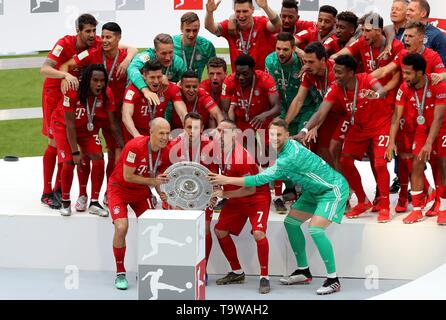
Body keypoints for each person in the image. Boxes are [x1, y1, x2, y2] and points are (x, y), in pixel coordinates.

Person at [209, 118, 349, 295]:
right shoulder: (284, 149)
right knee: (290, 223)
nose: (275, 138)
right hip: (313, 192)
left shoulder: (289, 157)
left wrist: (226, 180)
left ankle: (333, 279)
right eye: (272, 134)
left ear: (288, 135)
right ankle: (304, 271)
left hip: (332, 190)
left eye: (279, 135)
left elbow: (259, 180)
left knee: (316, 229)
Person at [297, 55, 392, 223]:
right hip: (358, 127)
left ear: (351, 72)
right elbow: (321, 112)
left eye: (339, 72)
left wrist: (375, 95)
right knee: (345, 161)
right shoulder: (335, 88)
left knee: (379, 163)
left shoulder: (365, 78)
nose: (336, 76)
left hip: (380, 125)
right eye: (335, 72)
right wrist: (305, 131)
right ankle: (363, 201)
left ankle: (385, 206)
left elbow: (382, 91)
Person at [59, 22, 136, 208]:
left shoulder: (127, 57)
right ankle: (83, 194)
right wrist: (65, 78)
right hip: (91, 110)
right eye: (104, 36)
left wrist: (127, 60)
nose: (105, 40)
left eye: (109, 37)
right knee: (87, 152)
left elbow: (135, 50)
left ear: (118, 38)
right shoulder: (92, 52)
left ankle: (110, 191)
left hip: (112, 112)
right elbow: (67, 65)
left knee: (113, 151)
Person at [39, 13, 101, 210]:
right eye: (88, 31)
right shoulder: (64, 43)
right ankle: (47, 192)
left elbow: (122, 45)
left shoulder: (96, 43)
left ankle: (59, 188)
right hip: (54, 92)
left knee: (66, 140)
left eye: (94, 30)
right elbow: (44, 69)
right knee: (54, 143)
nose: (92, 35)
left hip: (74, 95)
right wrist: (64, 74)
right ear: (78, 31)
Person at [208, 119, 272, 294]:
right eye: (217, 130)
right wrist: (215, 190)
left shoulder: (242, 157)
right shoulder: (218, 151)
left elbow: (250, 189)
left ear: (235, 135)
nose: (218, 134)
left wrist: (224, 194)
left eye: (223, 131)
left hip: (256, 197)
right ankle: (237, 272)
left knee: (259, 233)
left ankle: (264, 277)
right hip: (236, 198)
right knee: (220, 230)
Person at [108, 117, 171, 290]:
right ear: (151, 133)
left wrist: (161, 192)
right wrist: (153, 182)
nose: (165, 137)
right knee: (121, 227)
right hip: (119, 189)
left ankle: (148, 267)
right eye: (161, 133)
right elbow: (128, 176)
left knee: (152, 227)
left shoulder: (166, 150)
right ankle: (120, 272)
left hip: (140, 191)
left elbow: (158, 174)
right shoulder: (135, 147)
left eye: (167, 133)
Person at [52, 64, 122, 217]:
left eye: (102, 80)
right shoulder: (72, 91)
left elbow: (113, 124)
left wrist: (124, 147)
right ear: (87, 80)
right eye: (95, 80)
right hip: (63, 127)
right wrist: (75, 151)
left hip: (86, 128)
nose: (99, 84)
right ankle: (65, 201)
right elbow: (70, 126)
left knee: (98, 156)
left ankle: (94, 202)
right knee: (70, 161)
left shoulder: (106, 93)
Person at [386, 53, 446, 225]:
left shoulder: (439, 86)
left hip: (442, 128)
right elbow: (396, 116)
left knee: (443, 165)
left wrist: (428, 144)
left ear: (420, 73)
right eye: (403, 73)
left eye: (408, 73)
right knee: (416, 164)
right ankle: (418, 210)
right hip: (422, 128)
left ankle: (443, 208)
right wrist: (390, 142)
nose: (404, 77)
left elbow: (439, 118)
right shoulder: (404, 87)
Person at [265, 33, 321, 212]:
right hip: (284, 106)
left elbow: (304, 97)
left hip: (307, 107)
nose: (281, 53)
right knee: (281, 146)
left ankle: (306, 191)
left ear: (293, 49)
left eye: (285, 49)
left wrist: (286, 122)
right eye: (278, 49)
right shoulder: (270, 61)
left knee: (302, 148)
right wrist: (279, 117)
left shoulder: (303, 62)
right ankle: (289, 187)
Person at [162, 112, 218, 278]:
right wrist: (165, 195)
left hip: (201, 195)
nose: (192, 131)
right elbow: (165, 174)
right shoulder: (173, 145)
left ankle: (203, 269)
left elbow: (214, 174)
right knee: (176, 229)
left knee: (205, 229)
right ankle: (179, 266)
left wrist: (214, 195)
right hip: (178, 194)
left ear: (202, 128)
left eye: (196, 128)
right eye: (188, 127)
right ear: (183, 127)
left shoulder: (210, 146)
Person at [286, 42, 342, 171]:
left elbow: (328, 104)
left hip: (345, 112)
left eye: (311, 62)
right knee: (316, 146)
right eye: (305, 62)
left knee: (333, 148)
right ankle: (334, 181)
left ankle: (343, 183)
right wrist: (285, 124)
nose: (306, 66)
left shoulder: (336, 72)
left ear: (323, 60)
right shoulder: (308, 73)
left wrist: (315, 126)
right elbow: (299, 100)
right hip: (329, 112)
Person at [205, 0, 282, 71]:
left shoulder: (261, 23)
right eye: (238, 11)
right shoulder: (229, 26)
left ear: (252, 10)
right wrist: (209, 12)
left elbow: (277, 25)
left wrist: (266, 8)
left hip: (261, 79)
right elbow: (210, 27)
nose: (241, 15)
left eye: (245, 11)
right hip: (239, 79)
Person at [122, 60, 187, 142]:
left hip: (158, 133)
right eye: (152, 77)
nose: (156, 81)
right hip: (135, 133)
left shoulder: (168, 88)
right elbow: (126, 115)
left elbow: (182, 112)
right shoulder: (133, 89)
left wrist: (188, 127)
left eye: (159, 77)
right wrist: (136, 135)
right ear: (144, 76)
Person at [127, 33, 187, 107]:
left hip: (163, 101)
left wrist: (172, 84)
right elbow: (132, 68)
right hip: (139, 99)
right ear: (155, 52)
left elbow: (185, 82)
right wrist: (145, 90)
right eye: (163, 53)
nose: (168, 58)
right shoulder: (147, 56)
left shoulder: (178, 62)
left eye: (170, 52)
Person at [173, 12, 216, 80]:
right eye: (188, 30)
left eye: (195, 30)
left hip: (196, 88)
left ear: (199, 28)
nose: (191, 35)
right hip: (175, 88)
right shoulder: (171, 44)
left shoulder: (207, 46)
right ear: (181, 28)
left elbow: (215, 70)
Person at [406, 0, 446, 65]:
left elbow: (442, 67)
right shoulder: (404, 30)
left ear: (423, 14)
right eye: (407, 10)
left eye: (411, 10)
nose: (407, 13)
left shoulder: (437, 36)